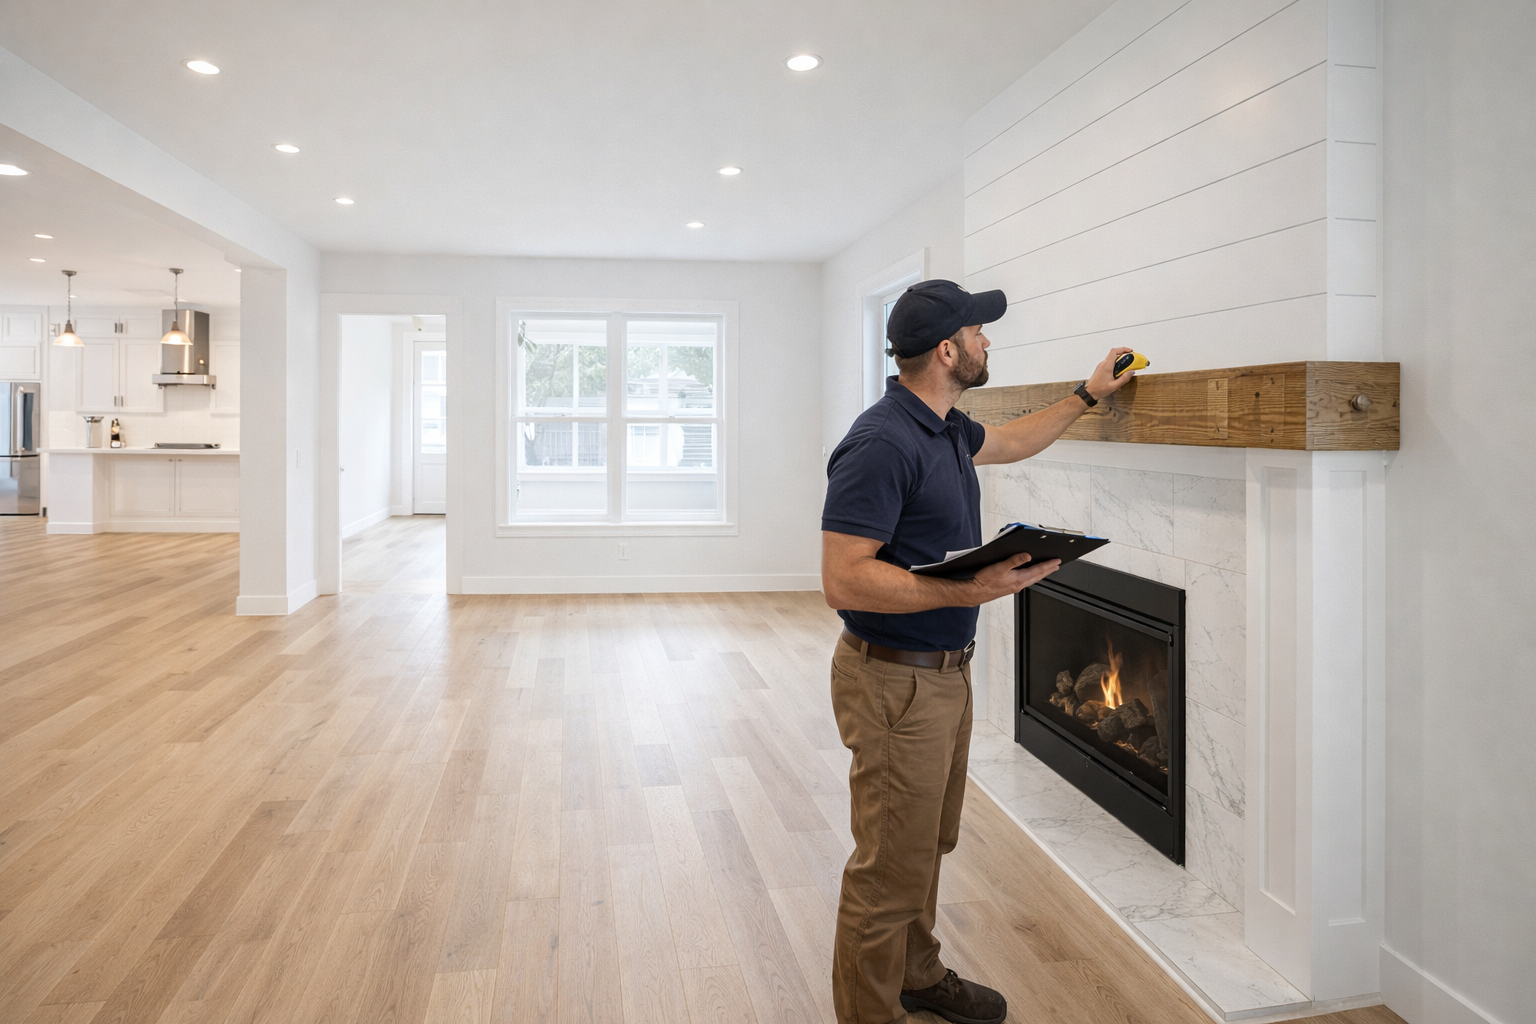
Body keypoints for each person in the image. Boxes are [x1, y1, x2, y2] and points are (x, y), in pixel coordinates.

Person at [820, 279, 1138, 1024]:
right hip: (893, 683)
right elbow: (843, 578)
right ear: (946, 349)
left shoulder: (944, 427)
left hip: (941, 676)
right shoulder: (882, 442)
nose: (987, 341)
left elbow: (1015, 440)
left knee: (926, 844)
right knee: (888, 867)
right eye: (977, 332)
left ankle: (917, 975)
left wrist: (1087, 394)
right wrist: (968, 590)